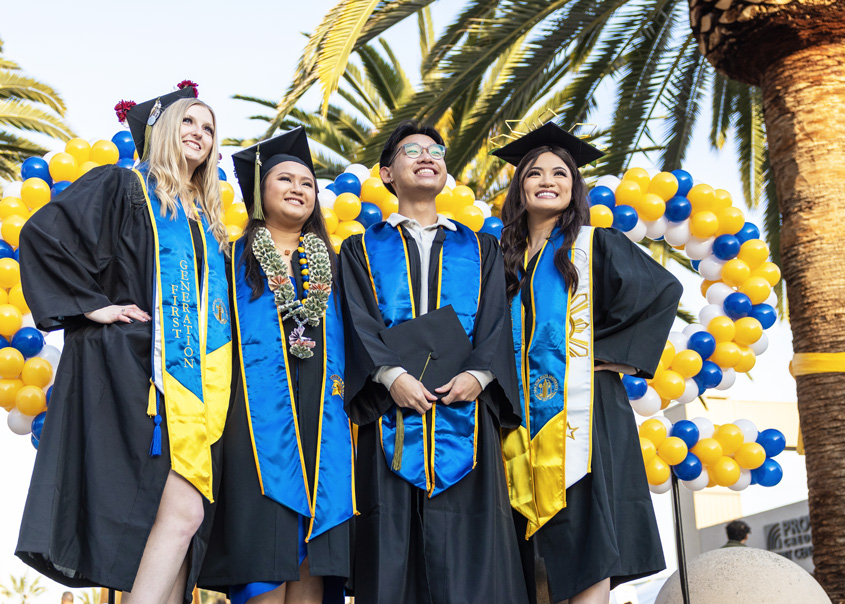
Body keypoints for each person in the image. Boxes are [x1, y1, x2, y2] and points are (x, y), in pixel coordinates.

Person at [16, 83, 232, 604]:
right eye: (188, 122)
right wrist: (95, 305)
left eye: (208, 128)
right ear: (163, 131)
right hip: (135, 376)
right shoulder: (124, 185)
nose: (199, 134)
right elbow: (43, 234)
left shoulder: (207, 222)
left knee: (179, 527)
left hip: (198, 391)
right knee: (182, 514)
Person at [340, 120, 528, 604]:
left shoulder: (480, 248)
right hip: (392, 414)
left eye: (436, 151)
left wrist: (479, 376)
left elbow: (496, 320)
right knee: (392, 558)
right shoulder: (360, 248)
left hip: (467, 416)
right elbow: (357, 318)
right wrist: (392, 376)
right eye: (412, 150)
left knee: (473, 564)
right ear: (386, 173)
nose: (427, 156)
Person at [495, 122, 683, 604]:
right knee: (525, 547)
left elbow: (662, 291)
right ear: (519, 187)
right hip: (515, 418)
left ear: (574, 186)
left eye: (560, 173)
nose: (547, 181)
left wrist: (608, 354)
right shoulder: (501, 260)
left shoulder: (596, 243)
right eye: (534, 173)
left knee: (587, 526)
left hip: (585, 412)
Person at [199, 128, 354, 604]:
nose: (297, 189)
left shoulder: (337, 264)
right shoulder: (230, 259)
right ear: (259, 192)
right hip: (251, 424)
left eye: (307, 183)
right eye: (284, 179)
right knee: (264, 549)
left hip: (325, 421)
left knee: (314, 548)